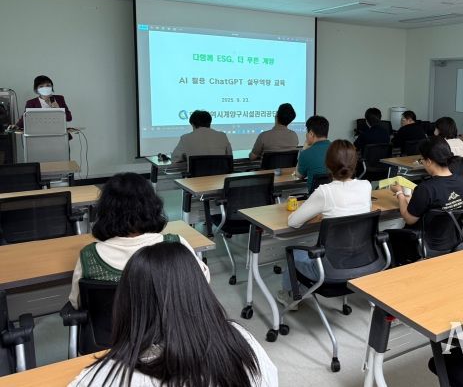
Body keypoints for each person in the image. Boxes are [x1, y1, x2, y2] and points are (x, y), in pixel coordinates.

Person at [68, 243, 277, 387]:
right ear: (199, 291)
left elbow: (75, 302)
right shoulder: (243, 342)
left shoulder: (103, 377)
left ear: (125, 304)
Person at [68, 173, 209, 309]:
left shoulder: (89, 256)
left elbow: (77, 302)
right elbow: (202, 281)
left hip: (115, 326)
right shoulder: (176, 244)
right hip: (169, 324)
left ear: (104, 212)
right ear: (152, 207)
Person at [277, 140, 372, 307]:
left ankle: (290, 296)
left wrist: (319, 215)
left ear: (327, 164)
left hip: (329, 269)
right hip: (363, 261)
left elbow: (293, 222)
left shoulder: (325, 192)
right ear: (355, 163)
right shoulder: (366, 186)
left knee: (294, 252)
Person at [387, 137, 463, 265]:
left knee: (386, 235)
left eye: (422, 160)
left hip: (424, 242)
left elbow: (409, 219)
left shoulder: (426, 188)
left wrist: (399, 194)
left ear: (429, 161)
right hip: (453, 240)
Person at [296, 115, 331, 192]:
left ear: (311, 133)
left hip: (315, 196)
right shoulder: (338, 148)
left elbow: (299, 175)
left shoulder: (306, 153)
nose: (306, 135)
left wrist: (303, 150)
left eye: (307, 132)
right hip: (335, 195)